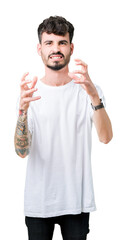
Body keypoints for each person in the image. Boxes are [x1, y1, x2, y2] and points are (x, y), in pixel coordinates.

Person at [14, 16, 113, 240]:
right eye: (49, 43)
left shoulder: (88, 90)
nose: (55, 49)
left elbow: (106, 137)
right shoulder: (29, 93)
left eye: (61, 42)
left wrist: (94, 96)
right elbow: (21, 152)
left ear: (71, 47)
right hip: (39, 202)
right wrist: (22, 110)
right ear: (39, 49)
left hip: (76, 201)